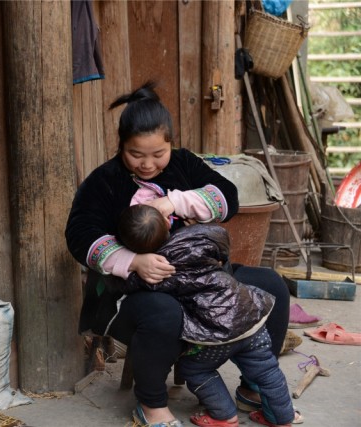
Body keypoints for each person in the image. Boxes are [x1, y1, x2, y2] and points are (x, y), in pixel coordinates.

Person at [65, 80, 290, 427]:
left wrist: (176, 200)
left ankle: (255, 386)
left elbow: (227, 196)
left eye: (158, 154)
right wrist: (133, 261)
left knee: (271, 285)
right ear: (121, 145)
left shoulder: (184, 165)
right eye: (135, 154)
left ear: (171, 142)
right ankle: (151, 405)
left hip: (200, 281)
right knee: (163, 312)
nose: (147, 164)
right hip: (133, 293)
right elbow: (80, 237)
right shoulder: (104, 181)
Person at [118, 204, 294, 427]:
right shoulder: (199, 236)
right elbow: (221, 235)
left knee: (195, 369)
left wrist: (130, 268)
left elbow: (133, 285)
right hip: (251, 319)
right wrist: (218, 252)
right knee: (267, 368)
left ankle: (224, 415)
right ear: (167, 222)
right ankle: (282, 418)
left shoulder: (155, 271)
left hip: (217, 333)